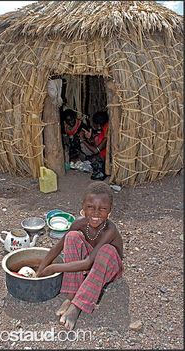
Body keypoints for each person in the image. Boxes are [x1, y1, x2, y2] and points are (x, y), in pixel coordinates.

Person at [36, 182, 123, 330]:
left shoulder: (110, 229)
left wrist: (52, 268)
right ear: (83, 207)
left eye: (103, 209)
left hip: (108, 266)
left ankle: (77, 305)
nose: (96, 213)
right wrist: (40, 271)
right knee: (72, 236)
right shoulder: (79, 223)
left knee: (106, 251)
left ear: (110, 211)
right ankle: (71, 295)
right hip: (90, 262)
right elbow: (58, 247)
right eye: (90, 207)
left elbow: (88, 263)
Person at [79, 111, 109, 180]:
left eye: (94, 124)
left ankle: (102, 171)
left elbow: (96, 151)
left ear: (98, 124)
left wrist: (83, 139)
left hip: (105, 157)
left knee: (93, 159)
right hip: (104, 154)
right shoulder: (105, 128)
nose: (93, 125)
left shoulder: (107, 133)